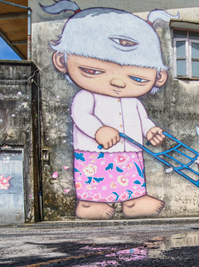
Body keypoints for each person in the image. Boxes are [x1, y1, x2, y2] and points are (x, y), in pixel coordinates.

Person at [43, 2, 176, 219]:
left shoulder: (134, 102)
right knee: (94, 178)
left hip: (130, 150)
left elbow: (143, 119)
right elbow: (81, 115)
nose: (117, 82)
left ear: (159, 77)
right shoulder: (86, 96)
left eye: (136, 78)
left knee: (131, 178)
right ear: (61, 60)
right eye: (93, 71)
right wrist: (98, 130)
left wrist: (150, 130)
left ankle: (133, 201)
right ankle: (89, 204)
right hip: (94, 151)